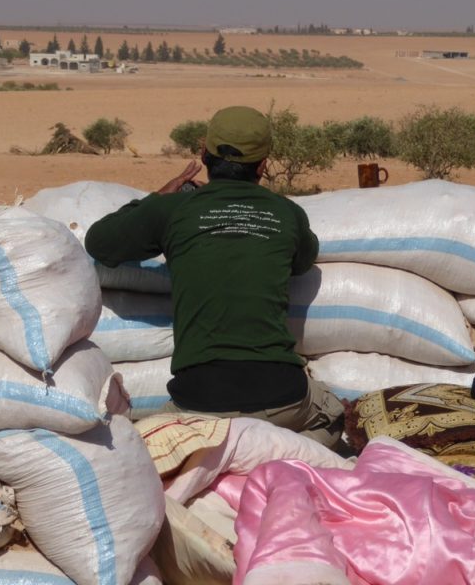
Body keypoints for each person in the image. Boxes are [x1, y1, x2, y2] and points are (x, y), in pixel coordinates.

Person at [84, 105, 343, 446]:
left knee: (152, 445)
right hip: (283, 397)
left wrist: (158, 198)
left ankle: (225, 459)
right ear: (263, 165)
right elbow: (303, 260)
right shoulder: (286, 212)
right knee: (336, 416)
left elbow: (100, 243)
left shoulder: (173, 209)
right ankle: (284, 457)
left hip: (199, 403)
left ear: (204, 152)